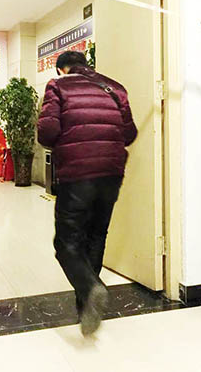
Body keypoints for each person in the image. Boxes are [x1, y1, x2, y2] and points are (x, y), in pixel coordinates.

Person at [37, 51, 137, 336]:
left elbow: (47, 131)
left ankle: (92, 288)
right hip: (111, 172)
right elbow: (129, 134)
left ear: (61, 69)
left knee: (66, 243)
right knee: (96, 235)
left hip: (77, 173)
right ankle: (86, 309)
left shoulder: (58, 86)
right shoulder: (115, 88)